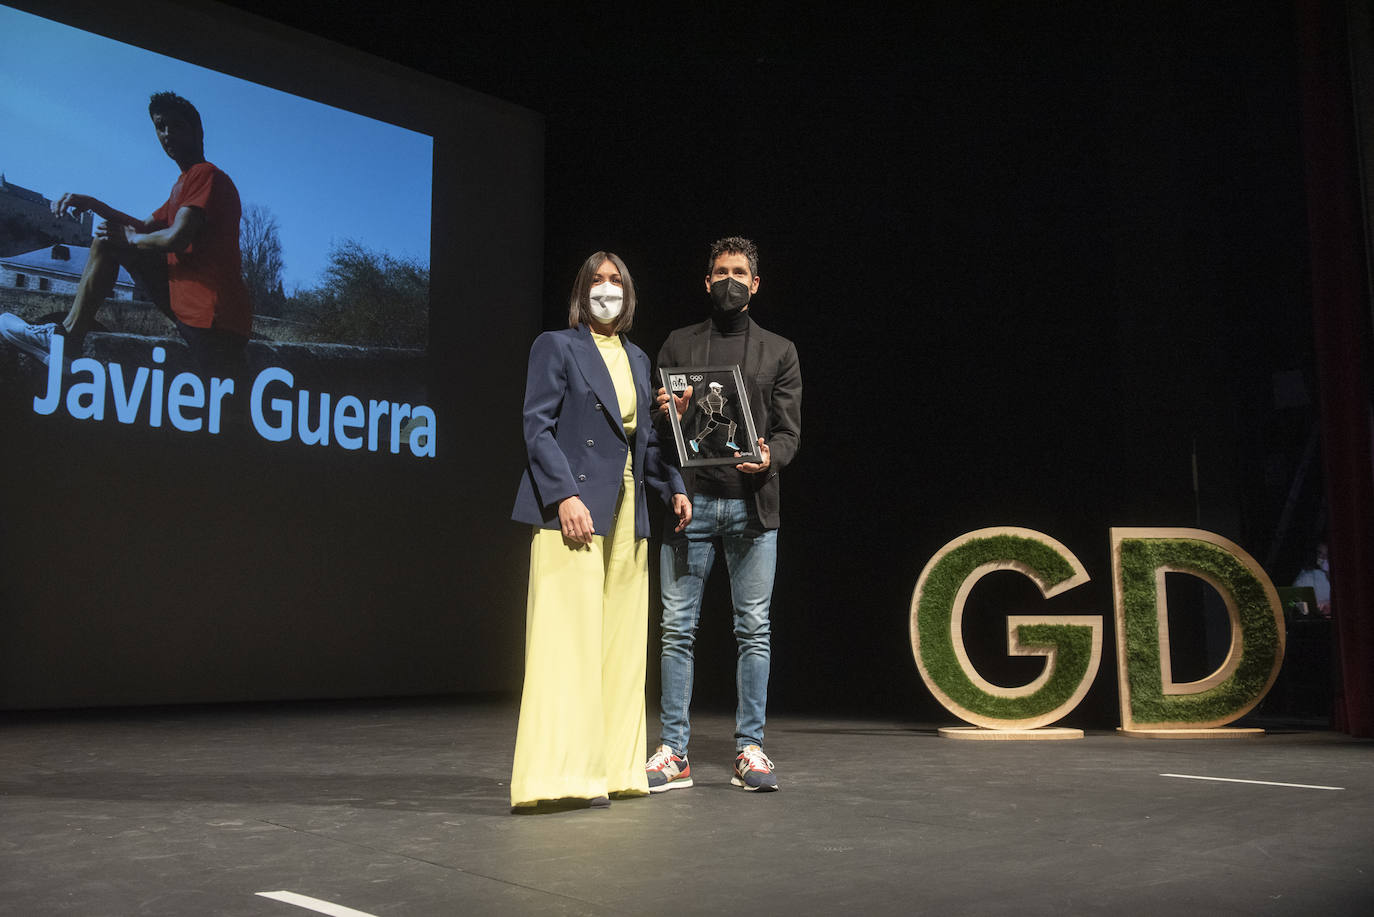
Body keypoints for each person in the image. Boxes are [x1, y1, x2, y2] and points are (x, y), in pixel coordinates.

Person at [509, 251, 691, 812]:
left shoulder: (639, 359)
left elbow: (648, 443)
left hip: (629, 507)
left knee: (620, 645)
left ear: (628, 294)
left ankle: (613, 769)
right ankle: (560, 776)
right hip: (574, 508)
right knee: (567, 643)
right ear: (581, 290)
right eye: (597, 280)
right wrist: (565, 495)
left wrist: (675, 487)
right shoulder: (555, 346)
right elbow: (537, 427)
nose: (606, 288)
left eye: (616, 281)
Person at [645, 236, 801, 793]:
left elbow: (788, 435)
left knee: (753, 631)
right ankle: (674, 753)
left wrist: (769, 457)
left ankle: (749, 748)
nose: (729, 280)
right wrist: (667, 414)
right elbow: (657, 436)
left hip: (752, 509)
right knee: (676, 632)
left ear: (755, 284)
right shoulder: (677, 346)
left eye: (739, 272)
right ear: (706, 281)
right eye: (720, 271)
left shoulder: (779, 352)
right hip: (691, 505)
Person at [0, 91, 252, 380]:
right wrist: (94, 205)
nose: (167, 134)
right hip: (206, 316)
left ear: (198, 132)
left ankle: (67, 339)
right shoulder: (183, 185)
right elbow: (144, 228)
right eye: (160, 126)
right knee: (111, 239)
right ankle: (66, 339)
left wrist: (130, 239)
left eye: (176, 126)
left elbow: (175, 238)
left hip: (213, 320)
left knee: (111, 241)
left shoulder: (205, 174)